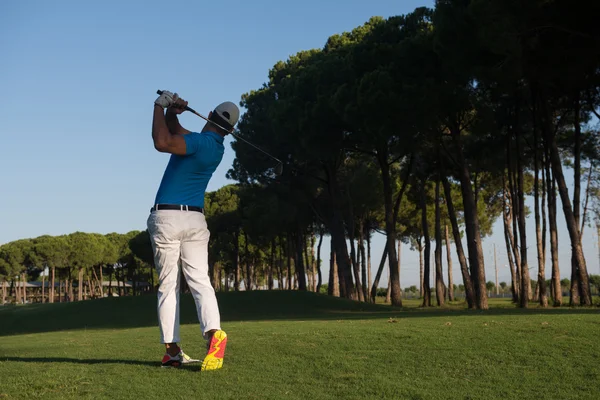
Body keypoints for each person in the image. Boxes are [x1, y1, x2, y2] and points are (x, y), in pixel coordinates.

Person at [147, 90, 239, 371]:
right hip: (195, 221)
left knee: (168, 286)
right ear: (230, 130)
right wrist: (173, 114)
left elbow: (162, 142)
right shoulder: (213, 147)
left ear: (209, 115)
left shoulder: (198, 142)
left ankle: (172, 351)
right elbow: (179, 133)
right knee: (200, 281)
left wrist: (158, 107)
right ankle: (214, 333)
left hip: (167, 218)